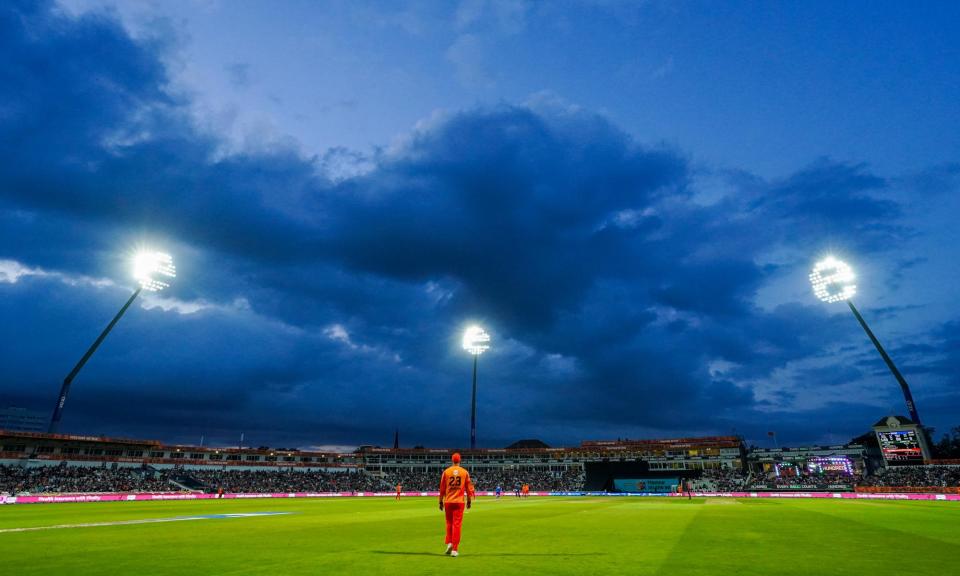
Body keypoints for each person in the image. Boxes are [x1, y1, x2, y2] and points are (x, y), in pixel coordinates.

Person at [439, 452, 473, 557]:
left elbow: (442, 488)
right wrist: (469, 501)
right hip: (459, 502)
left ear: (452, 460)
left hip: (448, 501)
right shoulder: (465, 472)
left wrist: (440, 501)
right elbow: (469, 488)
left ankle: (449, 543)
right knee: (457, 525)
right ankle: (454, 549)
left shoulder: (446, 472)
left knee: (449, 523)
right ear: (460, 460)